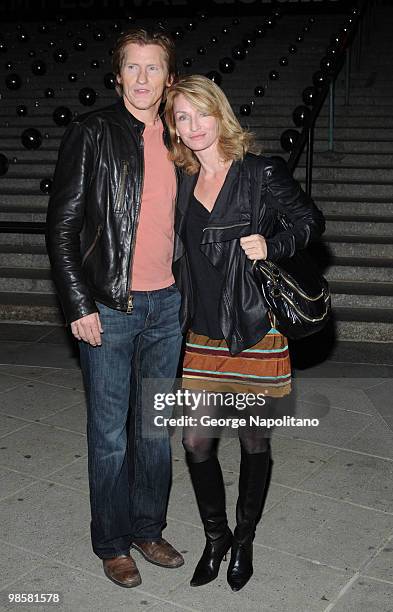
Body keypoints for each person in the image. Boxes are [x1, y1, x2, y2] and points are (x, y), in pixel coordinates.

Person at [165, 74, 325, 591]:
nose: (192, 126)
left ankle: (246, 536)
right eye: (181, 118)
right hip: (203, 333)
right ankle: (216, 538)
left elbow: (309, 220)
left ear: (220, 113)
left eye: (200, 113)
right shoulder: (181, 179)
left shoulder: (260, 173)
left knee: (254, 440)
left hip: (257, 330)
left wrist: (272, 245)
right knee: (196, 442)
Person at [46, 28, 184, 589]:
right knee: (109, 434)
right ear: (118, 75)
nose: (143, 78)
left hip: (168, 307)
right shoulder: (93, 132)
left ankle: (148, 529)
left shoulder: (182, 137)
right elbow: (62, 227)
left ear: (169, 78)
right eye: (133, 67)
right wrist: (79, 303)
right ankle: (112, 543)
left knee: (154, 429)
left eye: (154, 68)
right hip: (109, 306)